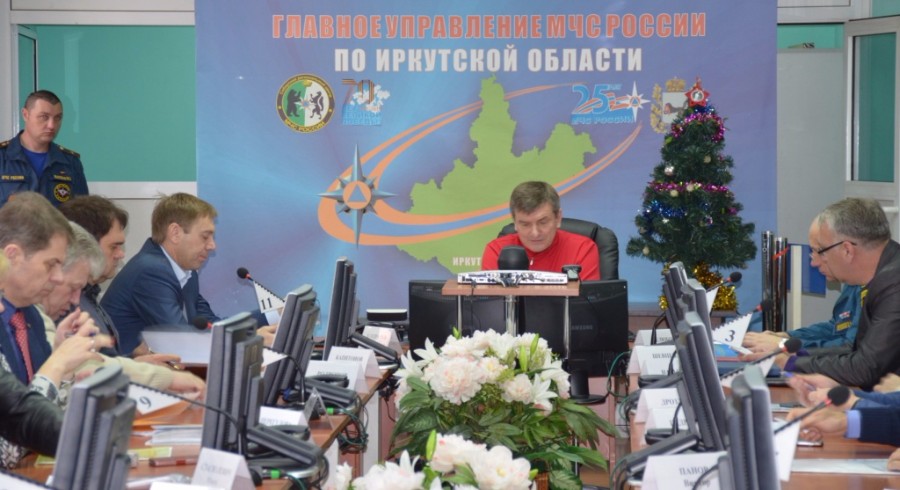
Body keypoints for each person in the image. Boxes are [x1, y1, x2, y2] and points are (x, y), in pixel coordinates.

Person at [39, 219, 205, 396]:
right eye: (114, 246)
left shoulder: (80, 299)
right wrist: (165, 377)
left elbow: (98, 363)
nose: (75, 299)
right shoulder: (152, 269)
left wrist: (135, 362)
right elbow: (87, 366)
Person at [101, 193, 273, 355]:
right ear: (175, 233)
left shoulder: (187, 272)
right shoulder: (150, 271)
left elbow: (213, 325)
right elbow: (181, 342)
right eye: (205, 237)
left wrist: (274, 314)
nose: (212, 246)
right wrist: (248, 339)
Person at [775, 198, 900, 390]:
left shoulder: (893, 284)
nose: (814, 263)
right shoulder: (881, 274)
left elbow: (865, 368)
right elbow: (856, 351)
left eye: (819, 251)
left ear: (847, 250)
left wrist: (790, 363)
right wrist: (796, 354)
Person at [481, 181, 600, 280]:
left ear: (558, 218)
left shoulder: (582, 249)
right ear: (515, 223)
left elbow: (586, 300)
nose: (535, 233)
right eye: (525, 224)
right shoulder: (497, 251)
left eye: (543, 222)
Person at [0, 90, 88, 207]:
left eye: (57, 118)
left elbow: (83, 213)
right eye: (44, 117)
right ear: (25, 115)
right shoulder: (2, 158)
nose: (52, 125)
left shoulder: (70, 163)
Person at [742, 283, 861, 354]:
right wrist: (787, 336)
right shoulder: (851, 285)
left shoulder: (864, 288)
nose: (814, 263)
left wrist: (783, 344)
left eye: (819, 252)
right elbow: (835, 328)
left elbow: (850, 347)